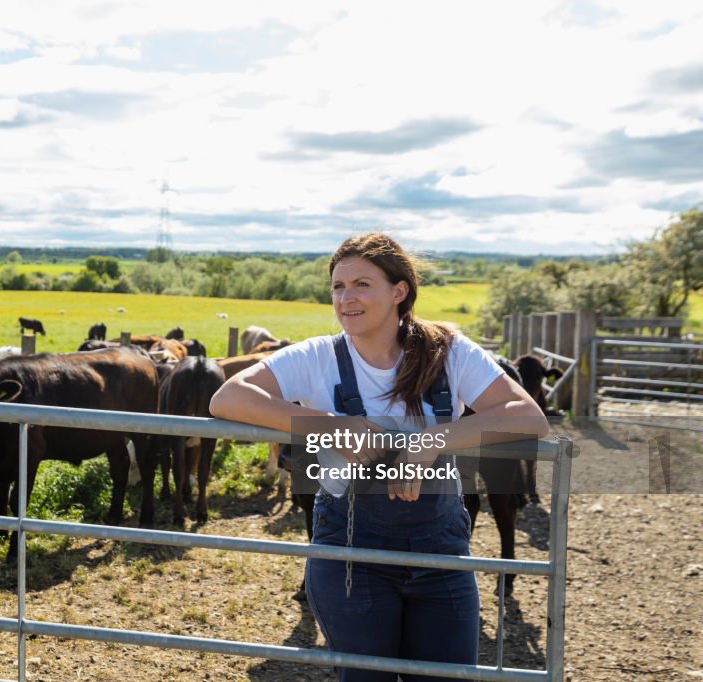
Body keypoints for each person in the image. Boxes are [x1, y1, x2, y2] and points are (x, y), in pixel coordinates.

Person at [209, 233, 549, 682]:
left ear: (399, 291)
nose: (346, 298)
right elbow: (228, 398)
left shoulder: (448, 352)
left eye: (361, 284)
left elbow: (528, 416)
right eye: (337, 287)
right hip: (350, 552)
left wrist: (431, 441)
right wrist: (330, 426)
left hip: (440, 550)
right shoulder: (317, 357)